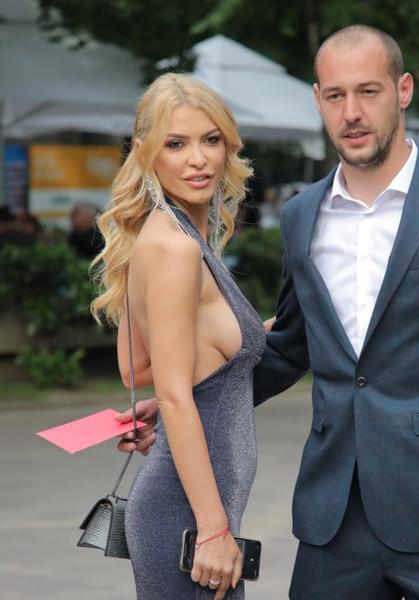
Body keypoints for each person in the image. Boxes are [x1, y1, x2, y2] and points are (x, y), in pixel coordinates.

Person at [120, 26, 419, 600]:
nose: (351, 112)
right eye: (335, 95)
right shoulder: (302, 215)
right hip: (334, 526)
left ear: (403, 90)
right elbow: (291, 348)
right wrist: (193, 400)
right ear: (318, 100)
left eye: (368, 91)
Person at [92, 73, 266, 600]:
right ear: (146, 152)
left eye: (210, 140)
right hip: (190, 520)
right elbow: (171, 392)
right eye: (176, 143)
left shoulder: (167, 232)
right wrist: (213, 530)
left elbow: (137, 369)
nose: (198, 159)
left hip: (186, 507)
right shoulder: (175, 247)